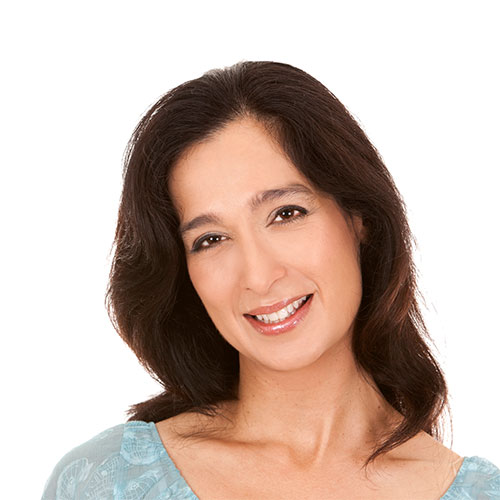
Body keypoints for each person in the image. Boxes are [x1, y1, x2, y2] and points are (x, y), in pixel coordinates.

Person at [42, 61, 499, 500]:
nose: (259, 277)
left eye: (286, 213)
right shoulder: (106, 483)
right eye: (211, 239)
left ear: (359, 217)